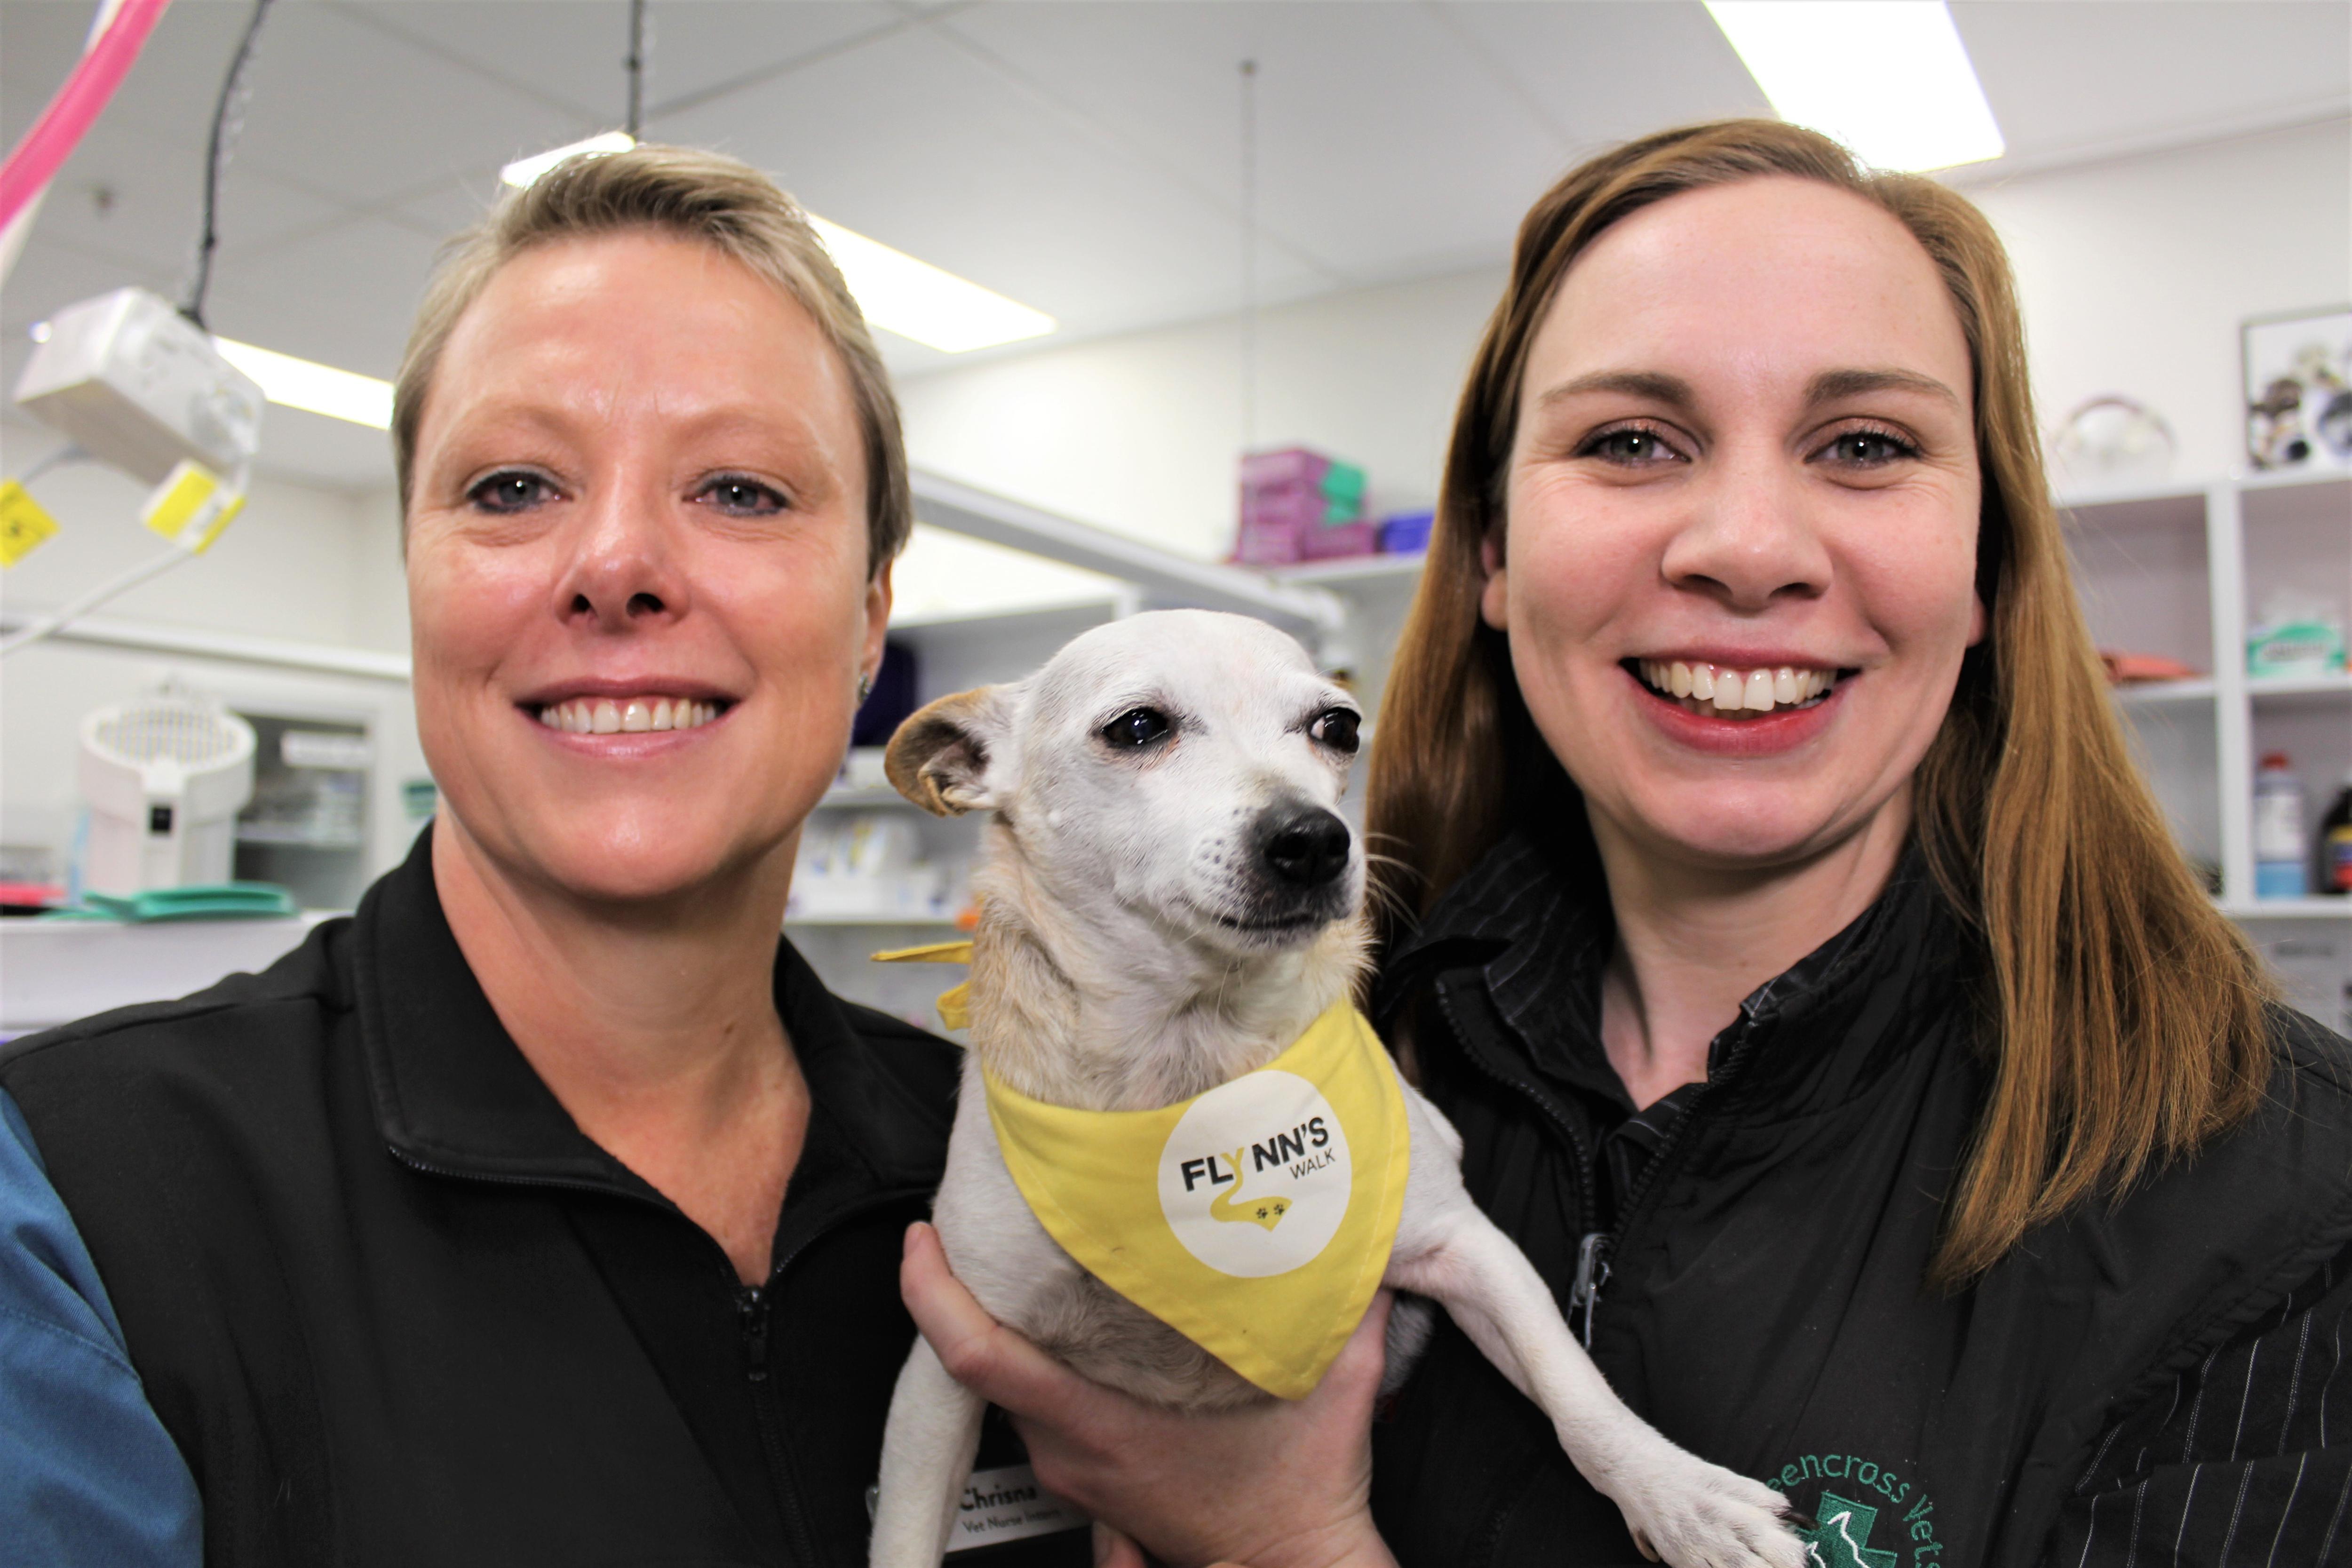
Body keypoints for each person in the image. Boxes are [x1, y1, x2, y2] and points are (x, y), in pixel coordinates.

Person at [898, 120, 2352, 1568]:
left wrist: (1276, 1537)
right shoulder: (1356, 1045)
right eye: (1631, 441)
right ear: (1491, 558)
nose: (1746, 544)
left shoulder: (2288, 1200)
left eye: (1865, 445)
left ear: (1985, 571)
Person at [0, 145, 1088, 1567]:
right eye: (513, 486)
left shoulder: (1028, 1169)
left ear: (870, 616)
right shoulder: (79, 1201)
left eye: (744, 491)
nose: (618, 560)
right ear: (415, 572)